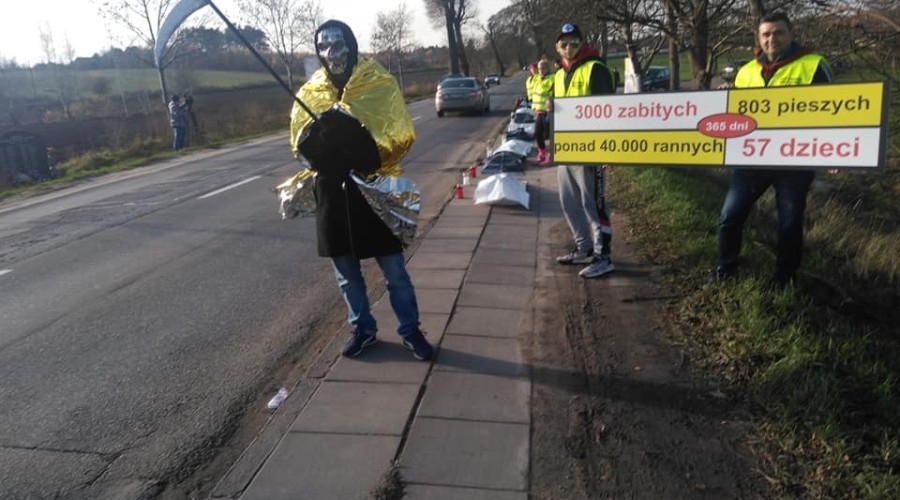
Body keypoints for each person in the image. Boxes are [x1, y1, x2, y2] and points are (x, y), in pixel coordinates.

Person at [289, 20, 434, 361]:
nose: (331, 53)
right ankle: (363, 329)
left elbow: (398, 136)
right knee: (346, 274)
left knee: (394, 270)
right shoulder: (310, 92)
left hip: (373, 190)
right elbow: (301, 149)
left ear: (351, 46)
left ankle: (411, 330)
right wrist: (319, 140)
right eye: (323, 47)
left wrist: (353, 138)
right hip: (333, 196)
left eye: (337, 45)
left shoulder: (377, 82)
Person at [713, 12, 833, 288]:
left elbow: (832, 112)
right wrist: (727, 96)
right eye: (765, 34)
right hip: (751, 161)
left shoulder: (814, 65)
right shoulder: (746, 71)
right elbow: (737, 115)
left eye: (778, 32)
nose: (771, 39)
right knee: (729, 216)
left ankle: (784, 279)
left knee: (789, 223)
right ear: (758, 38)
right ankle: (725, 270)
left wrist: (832, 151)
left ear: (791, 34)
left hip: (795, 162)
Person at [551, 22, 617, 279]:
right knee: (568, 202)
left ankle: (604, 256)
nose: (569, 47)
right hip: (566, 149)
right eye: (564, 43)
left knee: (594, 205)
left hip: (591, 150)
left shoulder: (595, 68)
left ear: (582, 43)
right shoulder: (558, 75)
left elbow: (610, 111)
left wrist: (608, 151)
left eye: (574, 42)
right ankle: (584, 248)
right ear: (557, 47)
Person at [530, 59, 554, 165]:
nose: (540, 70)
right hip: (539, 111)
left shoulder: (552, 79)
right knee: (537, 133)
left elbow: (553, 93)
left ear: (547, 68)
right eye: (539, 68)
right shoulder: (538, 79)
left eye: (542, 68)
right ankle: (542, 152)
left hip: (548, 111)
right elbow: (535, 95)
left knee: (548, 134)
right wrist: (534, 107)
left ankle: (550, 154)